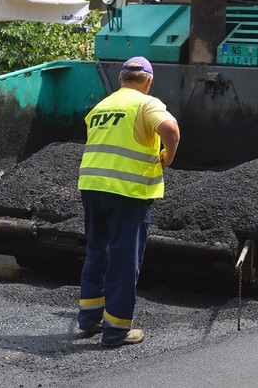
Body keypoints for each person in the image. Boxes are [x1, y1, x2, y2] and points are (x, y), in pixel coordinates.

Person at [76, 56, 180, 347]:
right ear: (149, 82)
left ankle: (90, 318)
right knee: (124, 258)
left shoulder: (101, 107)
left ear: (121, 79)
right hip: (127, 192)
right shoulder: (145, 103)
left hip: (92, 186)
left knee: (97, 251)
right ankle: (117, 329)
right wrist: (169, 156)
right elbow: (170, 129)